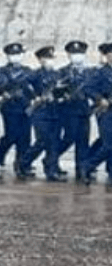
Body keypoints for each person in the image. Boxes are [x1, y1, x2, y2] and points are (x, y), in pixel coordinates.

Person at [80, 42, 112, 186]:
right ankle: (87, 166)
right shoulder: (101, 72)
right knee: (109, 145)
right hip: (108, 113)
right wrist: (100, 99)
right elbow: (87, 88)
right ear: (108, 56)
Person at [24, 46, 65, 182]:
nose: (50, 61)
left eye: (51, 58)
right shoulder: (35, 74)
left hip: (55, 112)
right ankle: (24, 163)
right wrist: (34, 97)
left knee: (54, 142)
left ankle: (51, 171)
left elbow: (63, 91)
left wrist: (60, 97)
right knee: (42, 142)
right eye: (47, 58)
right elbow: (24, 86)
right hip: (41, 112)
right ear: (40, 60)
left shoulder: (58, 75)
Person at [57, 40, 93, 180]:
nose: (77, 56)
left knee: (83, 141)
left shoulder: (89, 73)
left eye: (80, 53)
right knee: (69, 138)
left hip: (84, 110)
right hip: (68, 110)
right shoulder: (62, 72)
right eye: (74, 53)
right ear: (68, 55)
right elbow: (58, 91)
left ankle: (81, 170)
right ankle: (52, 158)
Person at [0, 43, 34, 179]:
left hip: (25, 108)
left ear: (22, 55)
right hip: (9, 108)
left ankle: (21, 165)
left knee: (25, 137)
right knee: (11, 135)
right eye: (12, 55)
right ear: (7, 56)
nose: (15, 57)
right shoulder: (2, 72)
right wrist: (5, 93)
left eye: (18, 54)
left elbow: (34, 89)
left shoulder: (28, 71)